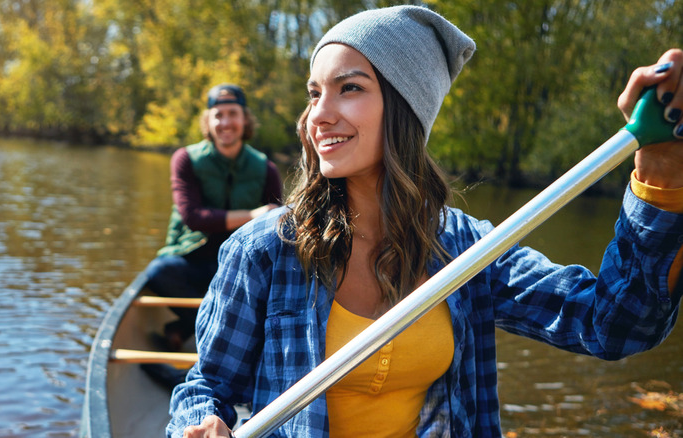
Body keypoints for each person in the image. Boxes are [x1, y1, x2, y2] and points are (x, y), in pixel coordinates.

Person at [168, 6, 683, 437]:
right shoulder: (264, 249)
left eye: (348, 88)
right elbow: (205, 385)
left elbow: (615, 325)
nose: (318, 116)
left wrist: (659, 171)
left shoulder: (467, 251)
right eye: (314, 93)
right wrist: (202, 421)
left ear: (405, 108)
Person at [140, 83, 282, 388]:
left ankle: (184, 330)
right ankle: (197, 327)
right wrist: (254, 215)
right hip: (194, 262)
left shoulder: (265, 169)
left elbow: (276, 228)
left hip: (239, 268)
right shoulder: (185, 159)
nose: (226, 122)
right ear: (208, 121)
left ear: (245, 120)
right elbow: (193, 217)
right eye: (218, 115)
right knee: (160, 271)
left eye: (233, 114)